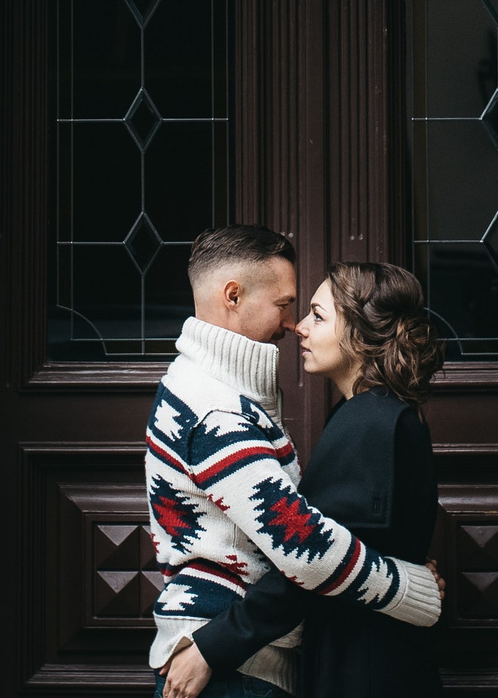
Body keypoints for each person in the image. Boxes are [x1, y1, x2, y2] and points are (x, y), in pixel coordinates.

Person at [144, 226, 443, 698]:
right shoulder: (217, 410)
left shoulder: (204, 389)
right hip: (230, 660)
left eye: (313, 315)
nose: (294, 324)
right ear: (234, 295)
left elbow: (312, 539)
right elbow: (306, 547)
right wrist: (411, 588)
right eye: (286, 305)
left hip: (248, 655)